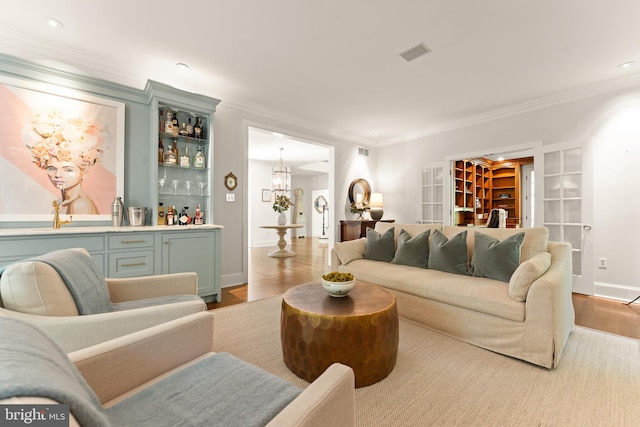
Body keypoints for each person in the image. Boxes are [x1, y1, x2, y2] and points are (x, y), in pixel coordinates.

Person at [22, 107, 105, 214]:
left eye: (68, 170)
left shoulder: (80, 204)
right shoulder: (62, 203)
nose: (57, 175)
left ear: (84, 172)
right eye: (52, 168)